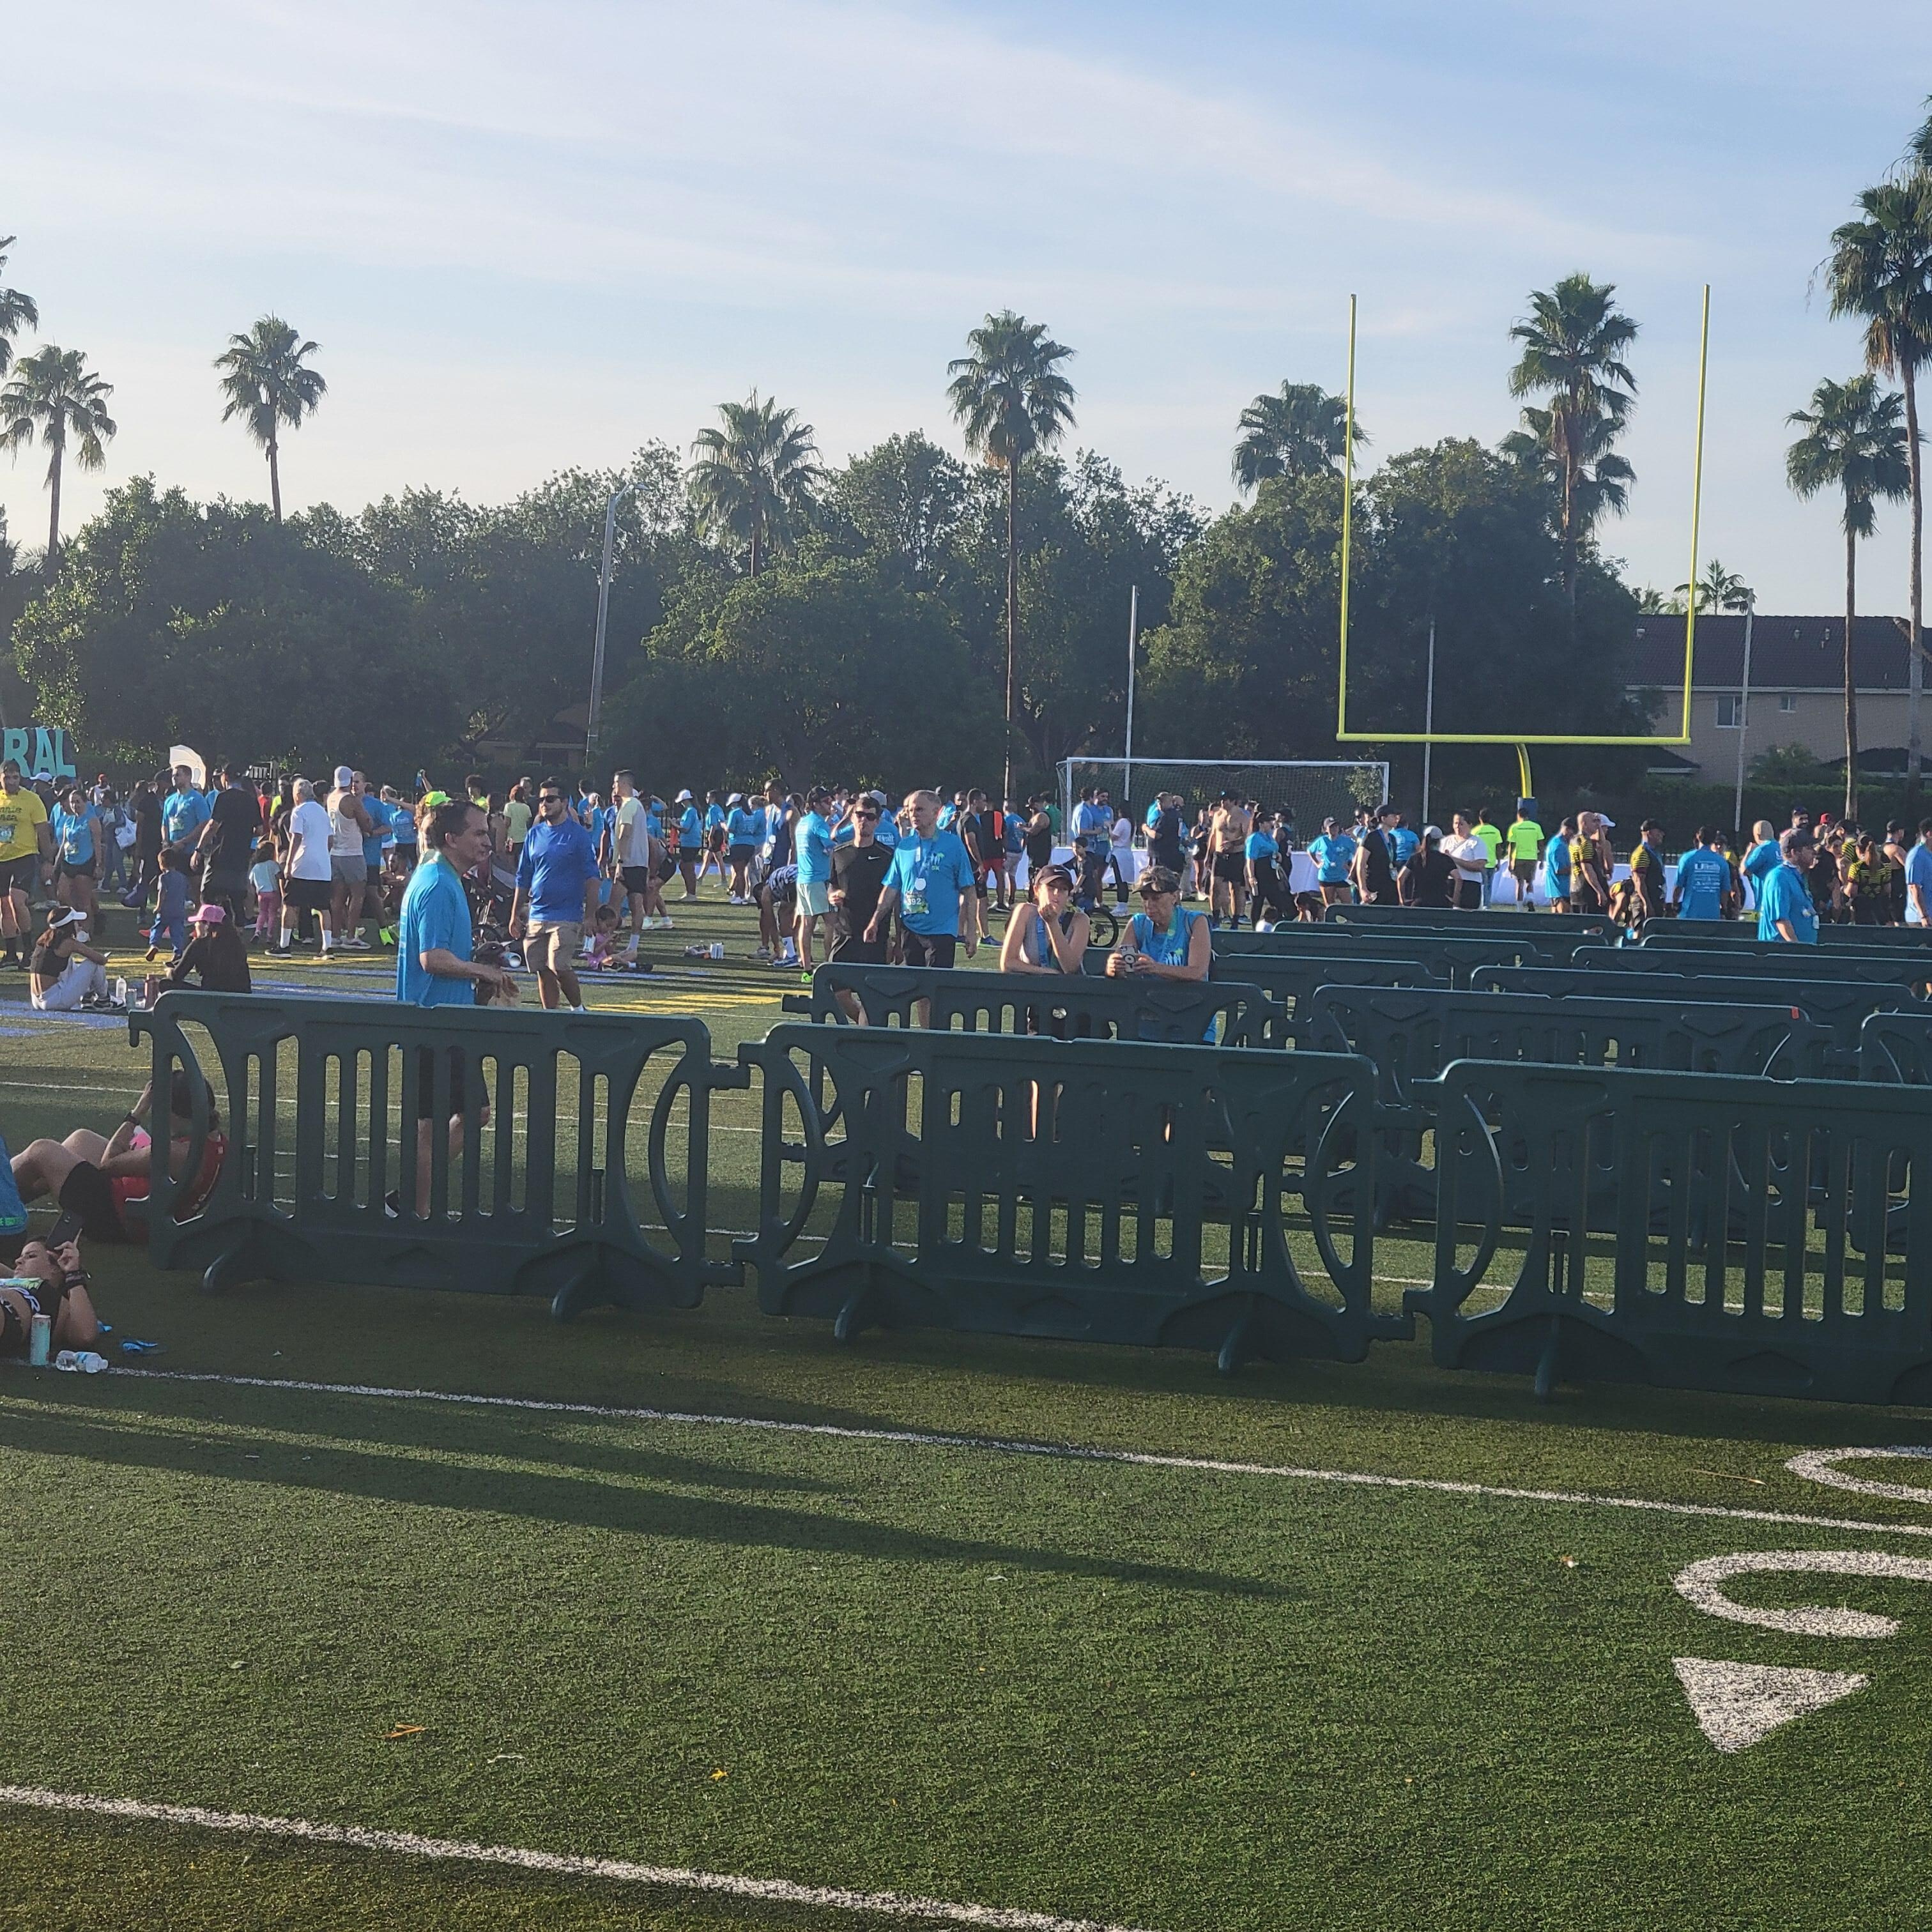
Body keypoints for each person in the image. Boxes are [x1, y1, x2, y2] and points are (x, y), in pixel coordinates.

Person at [397, 797, 519, 1217]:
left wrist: (477, 965)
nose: (488, 840)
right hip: (433, 1023)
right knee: (438, 1125)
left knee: (470, 1114)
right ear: (452, 839)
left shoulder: (444, 876)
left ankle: (411, 1204)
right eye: (479, 833)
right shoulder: (435, 883)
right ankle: (415, 1210)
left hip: (447, 1022)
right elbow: (432, 960)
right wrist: (482, 973)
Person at [11, 1073, 226, 1244]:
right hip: (139, 1208)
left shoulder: (176, 1153)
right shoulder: (217, 1142)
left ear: (174, 1113)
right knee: (81, 1139)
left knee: (42, 1151)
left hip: (115, 1218)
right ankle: (10, 1203)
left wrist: (137, 1112)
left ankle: (6, 1204)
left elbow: (108, 1164)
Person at [509, 779, 601, 1010]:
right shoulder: (534, 834)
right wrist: (514, 915)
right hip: (538, 912)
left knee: (558, 965)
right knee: (541, 968)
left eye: (550, 799)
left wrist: (590, 915)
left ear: (564, 802)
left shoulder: (578, 835)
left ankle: (578, 1008)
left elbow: (592, 877)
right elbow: (523, 876)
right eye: (541, 799)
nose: (544, 804)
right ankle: (551, 1016)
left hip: (567, 914)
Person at [866, 788, 977, 969]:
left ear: (936, 812)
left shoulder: (952, 845)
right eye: (910, 810)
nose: (913, 815)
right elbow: (891, 888)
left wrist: (971, 931)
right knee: (914, 988)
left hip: (942, 931)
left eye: (919, 810)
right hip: (911, 928)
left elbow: (969, 890)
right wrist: (875, 921)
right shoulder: (904, 847)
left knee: (932, 990)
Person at [0, 1231, 102, 1360]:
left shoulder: (54, 1299)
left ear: (56, 1267)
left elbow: (86, 1335)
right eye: (21, 1256)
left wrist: (73, 1273)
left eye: (31, 1256)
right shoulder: (11, 1280)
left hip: (7, 1313)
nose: (18, 1261)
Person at [1105, 866, 1208, 983]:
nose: (1149, 905)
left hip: (1189, 997)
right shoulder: (1138, 923)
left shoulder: (1194, 921)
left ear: (1174, 896)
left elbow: (1197, 972)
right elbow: (1121, 967)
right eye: (1145, 898)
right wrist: (1114, 968)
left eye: (1156, 898)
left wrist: (1156, 968)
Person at [829, 795, 894, 968]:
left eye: (870, 817)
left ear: (877, 822)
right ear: (852, 817)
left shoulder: (887, 856)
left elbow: (895, 897)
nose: (863, 820)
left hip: (874, 934)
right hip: (845, 932)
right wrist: (832, 896)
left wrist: (897, 940)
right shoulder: (839, 853)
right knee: (837, 987)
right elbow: (833, 886)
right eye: (859, 815)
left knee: (872, 990)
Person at [143, 902, 253, 1004]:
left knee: (165, 984)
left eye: (198, 922)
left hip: (211, 998)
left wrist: (169, 971)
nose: (195, 925)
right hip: (242, 998)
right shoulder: (237, 944)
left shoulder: (200, 944)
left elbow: (177, 976)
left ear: (207, 924)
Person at [0, 759, 52, 970]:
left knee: (16, 899)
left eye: (15, 777)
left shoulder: (32, 800)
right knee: (4, 905)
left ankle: (29, 949)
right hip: (2, 857)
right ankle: (11, 953)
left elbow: (42, 831)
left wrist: (48, 860)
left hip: (25, 856)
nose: (11, 782)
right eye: (7, 777)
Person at [194, 764, 263, 917]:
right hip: (242, 854)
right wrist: (243, 835)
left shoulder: (223, 797)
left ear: (225, 777)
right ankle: (237, 928)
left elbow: (213, 825)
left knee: (208, 893)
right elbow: (259, 830)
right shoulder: (251, 800)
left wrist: (199, 849)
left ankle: (210, 927)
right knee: (236, 896)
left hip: (222, 852)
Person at [279, 778, 337, 953]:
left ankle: (284, 945)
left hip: (303, 864)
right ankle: (328, 947)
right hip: (322, 867)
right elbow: (330, 840)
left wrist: (289, 863)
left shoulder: (299, 811)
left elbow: (296, 838)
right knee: (323, 907)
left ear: (298, 794)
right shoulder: (323, 811)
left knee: (290, 904)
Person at [1001, 863, 1089, 974]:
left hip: (1068, 988)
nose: (1057, 893)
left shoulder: (1080, 921)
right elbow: (1007, 963)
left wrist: (1053, 924)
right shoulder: (1025, 912)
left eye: (1063, 889)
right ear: (1037, 890)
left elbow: (1070, 968)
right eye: (1051, 887)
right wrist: (1045, 972)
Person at [325, 767, 377, 951]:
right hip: (352, 852)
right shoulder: (351, 800)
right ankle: (350, 936)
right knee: (357, 895)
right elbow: (367, 823)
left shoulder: (331, 797)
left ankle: (335, 935)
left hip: (335, 852)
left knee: (337, 897)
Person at [29, 906, 112, 1012]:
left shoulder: (45, 939)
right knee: (93, 963)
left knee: (69, 962)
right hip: (55, 1000)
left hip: (36, 1000)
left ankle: (88, 995)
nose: (80, 926)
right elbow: (101, 960)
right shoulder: (68, 943)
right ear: (69, 925)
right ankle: (104, 1000)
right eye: (76, 922)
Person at [792, 786, 836, 976]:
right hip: (819, 879)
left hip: (804, 879)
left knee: (807, 924)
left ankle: (807, 968)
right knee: (832, 923)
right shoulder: (819, 823)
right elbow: (830, 845)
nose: (830, 805)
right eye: (827, 802)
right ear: (816, 804)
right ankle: (830, 965)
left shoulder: (802, 822)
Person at [50, 784, 102, 927]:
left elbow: (97, 843)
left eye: (78, 802)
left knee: (83, 901)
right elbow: (64, 844)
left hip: (85, 863)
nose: (75, 805)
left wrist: (98, 865)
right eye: (72, 802)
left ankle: (86, 930)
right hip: (69, 862)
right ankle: (74, 923)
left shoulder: (91, 820)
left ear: (85, 803)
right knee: (63, 896)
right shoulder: (68, 821)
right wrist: (56, 864)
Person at [1758, 829, 1820, 944]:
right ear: (1794, 853)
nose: (1814, 852)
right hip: (1780, 955)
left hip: (1795, 955)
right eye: (1809, 848)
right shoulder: (1779, 877)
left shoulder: (1796, 877)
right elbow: (1781, 920)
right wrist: (1796, 951)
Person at [1206, 791, 1252, 926]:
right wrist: (1209, 855)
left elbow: (1245, 838)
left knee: (1236, 888)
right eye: (1222, 800)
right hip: (1220, 856)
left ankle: (1236, 920)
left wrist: (1233, 843)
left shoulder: (1243, 816)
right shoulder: (1218, 815)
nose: (1223, 803)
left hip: (1236, 855)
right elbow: (1213, 836)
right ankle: (1216, 918)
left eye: (1226, 800)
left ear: (1233, 801)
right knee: (1215, 886)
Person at [1671, 827, 1731, 923]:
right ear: (1714, 839)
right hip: (1712, 917)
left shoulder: (1687, 858)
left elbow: (1678, 886)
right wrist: (1723, 910)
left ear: (1698, 837)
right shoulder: (1722, 862)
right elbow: (1725, 891)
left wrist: (1675, 904)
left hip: (1689, 915)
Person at [146, 847, 194, 962]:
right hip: (179, 910)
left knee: (158, 928)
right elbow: (188, 890)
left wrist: (159, 907)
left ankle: (154, 945)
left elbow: (162, 892)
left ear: (162, 864)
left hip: (165, 910)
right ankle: (178, 951)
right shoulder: (182, 877)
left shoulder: (163, 877)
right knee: (177, 932)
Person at [1070, 785, 1111, 910]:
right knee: (1087, 876)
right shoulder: (1083, 810)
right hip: (1086, 847)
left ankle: (1087, 902)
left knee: (1089, 875)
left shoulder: (1084, 809)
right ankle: (1085, 902)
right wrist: (1096, 831)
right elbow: (1081, 830)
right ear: (1092, 797)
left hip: (1087, 847)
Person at [1246, 812, 1291, 925]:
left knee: (1278, 901)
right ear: (1261, 823)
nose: (1270, 824)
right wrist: (1252, 876)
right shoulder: (1254, 838)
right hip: (1260, 871)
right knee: (1258, 902)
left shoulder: (1269, 836)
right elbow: (1251, 859)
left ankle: (1275, 925)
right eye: (1267, 822)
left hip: (1271, 871)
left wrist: (1278, 855)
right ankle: (1255, 928)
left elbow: (1274, 848)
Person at [160, 763, 212, 860]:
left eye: (178, 775)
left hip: (191, 852)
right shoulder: (169, 800)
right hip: (172, 852)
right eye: (173, 776)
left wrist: (184, 842)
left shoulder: (197, 799)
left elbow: (204, 824)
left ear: (188, 777)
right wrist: (165, 841)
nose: (174, 778)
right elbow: (165, 824)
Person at [1352, 802, 1400, 907]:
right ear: (1383, 818)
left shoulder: (1392, 838)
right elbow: (1361, 866)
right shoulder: (1371, 838)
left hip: (1390, 886)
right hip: (1375, 886)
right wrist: (1363, 889)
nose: (1397, 819)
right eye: (1393, 816)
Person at [1399, 826, 1457, 908]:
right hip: (1441, 902)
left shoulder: (1415, 858)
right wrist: (1454, 900)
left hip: (1419, 903)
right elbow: (1458, 878)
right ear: (1439, 842)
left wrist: (1403, 899)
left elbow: (1401, 878)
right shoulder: (1445, 859)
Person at [1568, 811, 1612, 916]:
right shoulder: (1585, 843)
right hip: (1588, 891)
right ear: (1584, 824)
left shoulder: (1575, 839)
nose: (1597, 824)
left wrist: (1599, 827)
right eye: (1593, 821)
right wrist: (1600, 892)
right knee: (1593, 925)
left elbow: (1602, 842)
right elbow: (1587, 869)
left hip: (1576, 889)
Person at [1443, 813, 1489, 912]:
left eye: (1461, 824)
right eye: (1455, 823)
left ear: (1470, 825)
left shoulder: (1477, 843)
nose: (1457, 827)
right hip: (1449, 884)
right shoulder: (1446, 841)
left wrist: (1453, 859)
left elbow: (1479, 866)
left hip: (1469, 885)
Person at [1308, 816, 1356, 909]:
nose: (1334, 829)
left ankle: (1350, 922)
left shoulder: (1346, 841)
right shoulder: (1322, 840)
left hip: (1342, 877)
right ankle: (1331, 923)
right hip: (1326, 877)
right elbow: (1310, 851)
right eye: (1331, 827)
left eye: (1336, 826)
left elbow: (1357, 853)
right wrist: (1317, 863)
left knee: (1348, 906)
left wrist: (1350, 866)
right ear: (1326, 829)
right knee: (1330, 906)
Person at [1504, 801, 1544, 910]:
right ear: (1528, 816)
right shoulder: (1536, 827)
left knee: (1519, 882)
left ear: (1518, 816)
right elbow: (1541, 844)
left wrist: (1510, 861)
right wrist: (1541, 859)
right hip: (1532, 858)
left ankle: (1519, 908)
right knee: (1530, 881)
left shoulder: (1515, 827)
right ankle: (1530, 899)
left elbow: (1512, 846)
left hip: (1519, 858)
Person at [1629, 820, 1667, 923]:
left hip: (1654, 899)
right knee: (1641, 930)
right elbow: (1639, 881)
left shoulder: (1655, 852)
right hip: (1644, 901)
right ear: (1649, 833)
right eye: (1659, 832)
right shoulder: (1642, 852)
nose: (1662, 835)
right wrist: (1646, 904)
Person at [726, 792, 761, 903]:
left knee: (739, 872)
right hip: (750, 844)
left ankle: (740, 897)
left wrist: (723, 826)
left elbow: (730, 829)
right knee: (742, 871)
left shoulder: (735, 813)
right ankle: (739, 895)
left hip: (738, 844)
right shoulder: (750, 814)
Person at [1740, 819, 1780, 912]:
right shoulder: (1781, 848)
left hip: (1764, 903)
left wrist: (1748, 853)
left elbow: (1744, 871)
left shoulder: (1762, 850)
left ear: (1757, 835)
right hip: (1779, 900)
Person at [249, 838, 282, 945]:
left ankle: (257, 931)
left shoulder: (256, 867)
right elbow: (278, 876)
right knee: (272, 914)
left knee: (262, 913)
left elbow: (251, 881)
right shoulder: (273, 865)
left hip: (261, 894)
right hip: (273, 892)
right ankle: (270, 936)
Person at [1541, 817, 1575, 912]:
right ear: (1567, 829)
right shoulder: (1559, 846)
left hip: (1557, 889)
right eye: (1572, 833)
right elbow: (1560, 870)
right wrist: (1579, 869)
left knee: (1556, 922)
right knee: (1564, 922)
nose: (1573, 836)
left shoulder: (1557, 843)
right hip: (1560, 889)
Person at [1472, 809, 1504, 905]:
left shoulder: (1475, 831)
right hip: (1491, 862)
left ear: (1479, 818)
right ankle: (1486, 904)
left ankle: (1482, 904)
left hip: (1479, 862)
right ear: (1490, 819)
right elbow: (1498, 848)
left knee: (1482, 885)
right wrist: (1498, 861)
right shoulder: (1495, 831)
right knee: (1489, 885)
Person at [1906, 819, 1932, 928]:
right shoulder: (1917, 855)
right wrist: (1924, 916)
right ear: (1929, 834)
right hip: (1921, 920)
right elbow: (1914, 887)